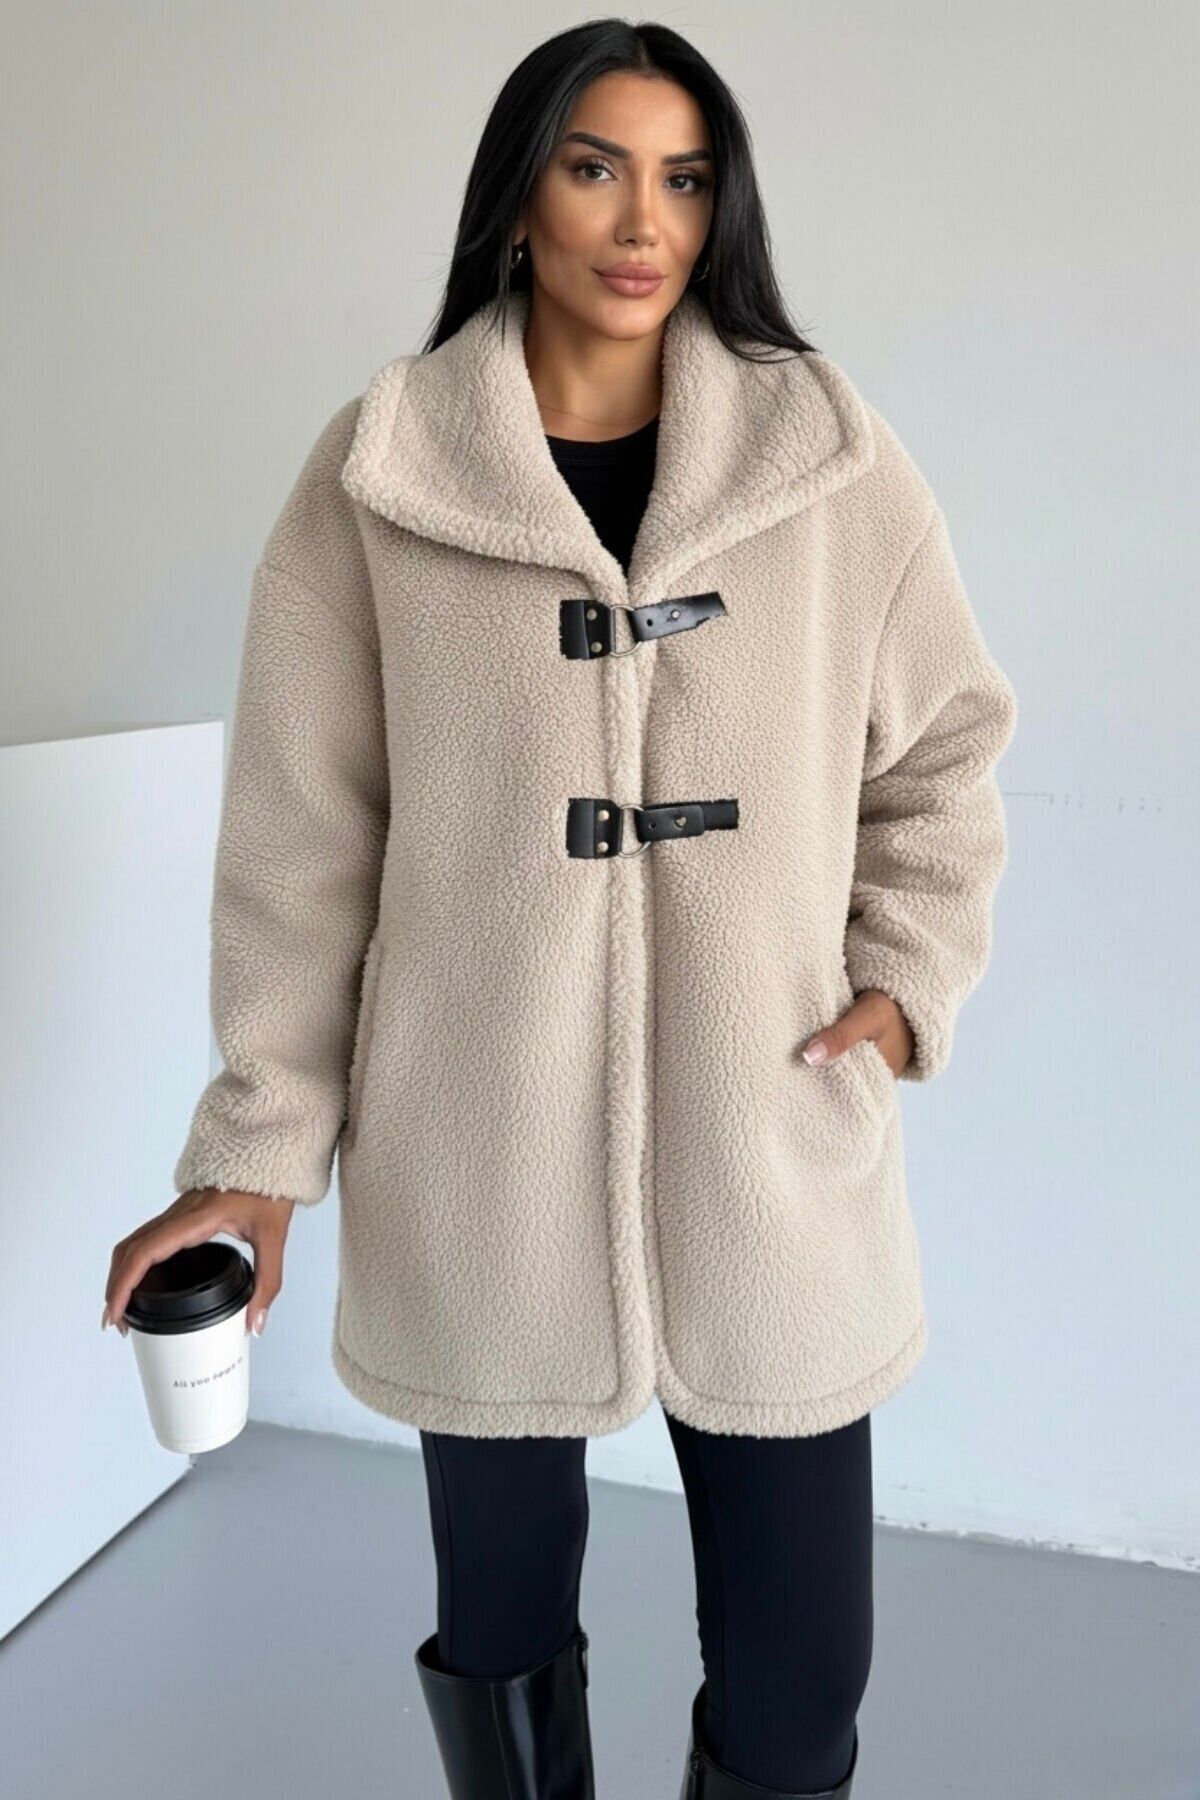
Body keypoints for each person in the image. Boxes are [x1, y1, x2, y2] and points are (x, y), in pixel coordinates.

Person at [103, 19, 1018, 1799]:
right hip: (481, 1142)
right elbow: (302, 846)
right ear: (523, 194)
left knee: (804, 1675)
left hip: (772, 1131)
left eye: (685, 177)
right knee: (503, 1632)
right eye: (597, 167)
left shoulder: (828, 460)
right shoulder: (385, 474)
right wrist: (258, 1153)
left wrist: (905, 977)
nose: (642, 220)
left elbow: (946, 751)